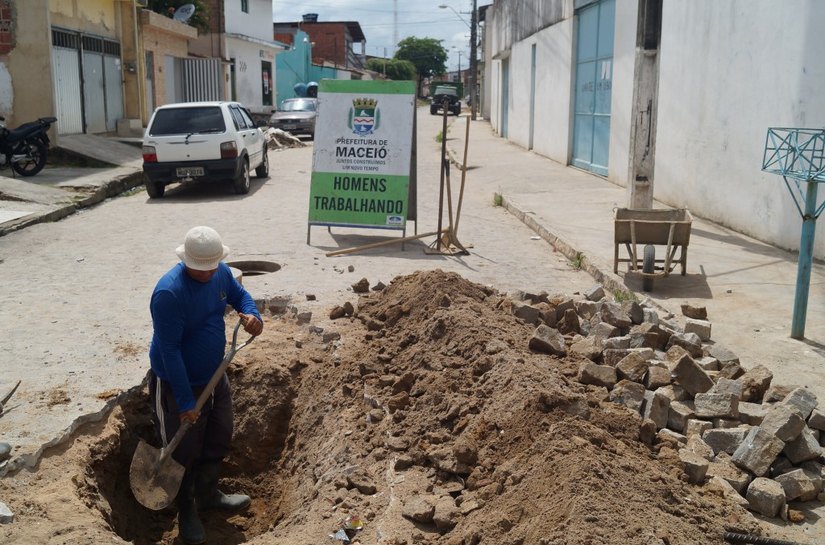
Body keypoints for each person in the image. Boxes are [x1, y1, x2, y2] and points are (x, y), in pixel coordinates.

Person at [148, 226, 263, 545]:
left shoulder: (220, 271)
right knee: (182, 449)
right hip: (175, 383)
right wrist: (185, 400)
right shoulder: (169, 293)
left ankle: (208, 494)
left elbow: (240, 296)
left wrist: (252, 316)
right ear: (187, 262)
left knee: (218, 434)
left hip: (215, 376)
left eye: (212, 266)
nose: (209, 272)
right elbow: (169, 351)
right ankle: (186, 509)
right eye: (202, 268)